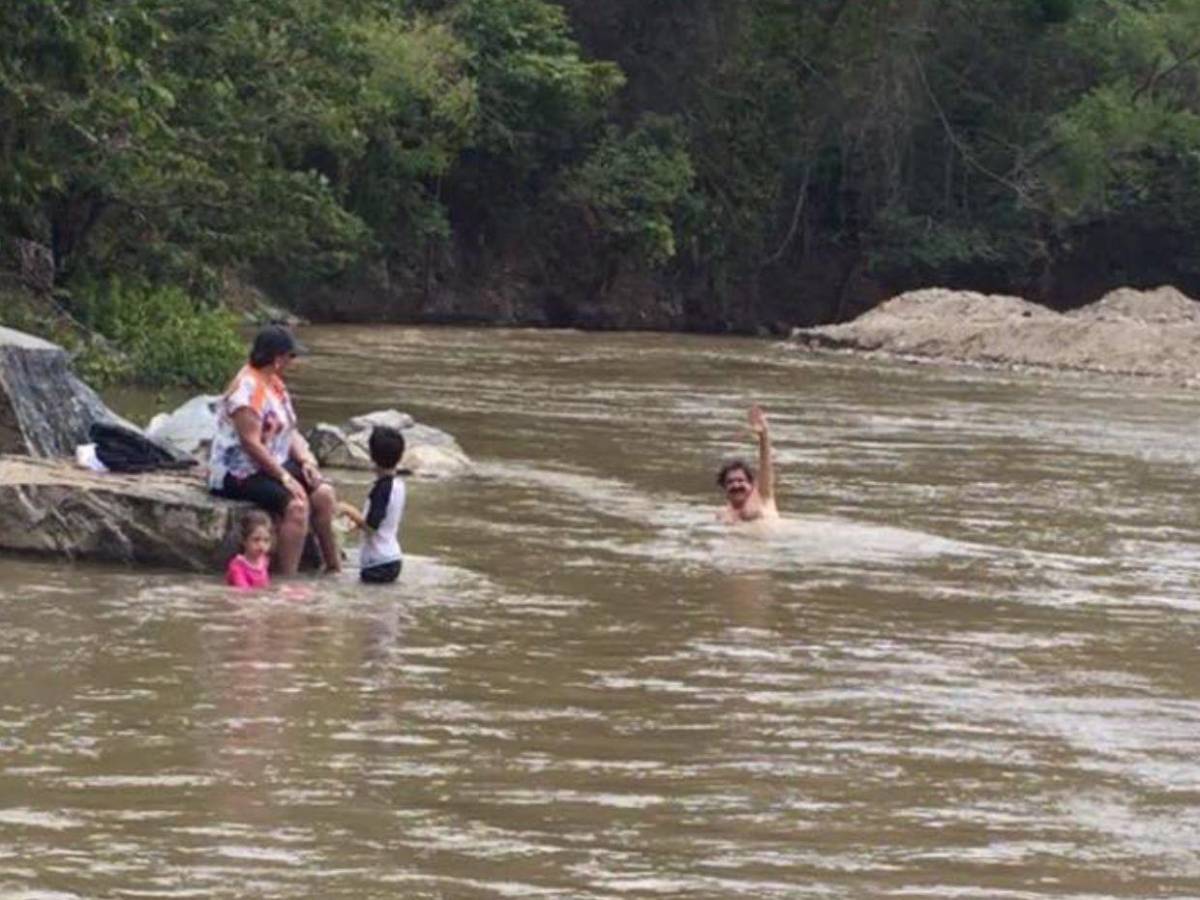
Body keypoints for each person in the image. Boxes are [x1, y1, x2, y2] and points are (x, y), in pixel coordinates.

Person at [209, 324, 341, 576]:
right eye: (291, 356)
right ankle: (286, 579)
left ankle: (333, 568)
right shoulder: (246, 389)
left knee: (324, 494)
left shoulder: (275, 384)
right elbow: (250, 444)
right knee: (297, 507)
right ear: (278, 359)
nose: (293, 362)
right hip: (239, 471)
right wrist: (285, 478)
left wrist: (305, 460)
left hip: (271, 462)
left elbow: (289, 431)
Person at [338, 426, 406, 583]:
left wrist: (348, 510)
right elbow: (384, 521)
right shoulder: (399, 485)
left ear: (372, 456)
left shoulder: (381, 489)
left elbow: (371, 527)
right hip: (393, 558)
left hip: (377, 563)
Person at [716, 403, 780, 525]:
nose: (736, 485)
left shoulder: (762, 499)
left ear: (751, 484)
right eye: (730, 482)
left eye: (741, 480)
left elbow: (765, 467)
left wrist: (763, 435)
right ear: (724, 488)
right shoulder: (723, 515)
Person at [226, 509, 273, 589]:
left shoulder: (264, 561)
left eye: (266, 540)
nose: (262, 545)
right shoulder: (237, 567)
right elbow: (244, 591)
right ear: (244, 540)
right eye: (256, 539)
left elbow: (265, 586)